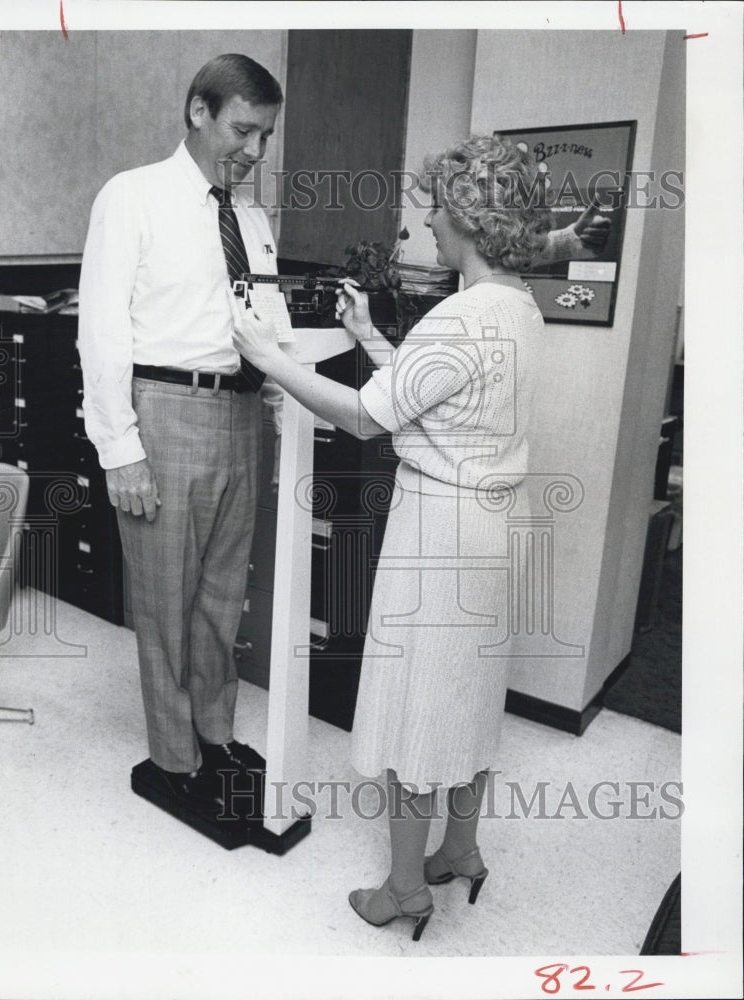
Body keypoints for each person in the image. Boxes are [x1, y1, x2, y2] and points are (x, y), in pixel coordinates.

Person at [229, 134, 571, 940]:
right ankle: (460, 849)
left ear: (467, 219)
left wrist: (265, 358)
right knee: (467, 701)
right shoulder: (515, 305)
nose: (426, 224)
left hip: (439, 535)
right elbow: (431, 396)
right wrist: (373, 332)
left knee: (421, 709)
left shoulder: (458, 315)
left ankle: (403, 888)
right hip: (489, 531)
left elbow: (363, 416)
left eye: (435, 210)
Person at [78, 53, 284, 814]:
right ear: (198, 111)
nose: (254, 152)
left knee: (224, 595)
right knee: (165, 599)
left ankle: (215, 730)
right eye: (243, 130)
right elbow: (100, 330)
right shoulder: (132, 196)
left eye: (265, 136)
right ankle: (172, 756)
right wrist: (120, 448)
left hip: (242, 414)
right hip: (164, 410)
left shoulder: (251, 219)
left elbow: (268, 328)